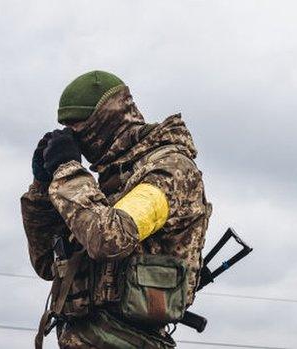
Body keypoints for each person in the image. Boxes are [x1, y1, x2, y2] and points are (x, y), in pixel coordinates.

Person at [21, 70, 211, 348]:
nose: (75, 138)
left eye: (78, 128)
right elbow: (47, 263)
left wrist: (68, 169)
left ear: (104, 122)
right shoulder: (107, 185)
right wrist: (42, 186)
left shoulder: (169, 170)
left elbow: (110, 238)